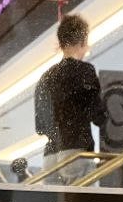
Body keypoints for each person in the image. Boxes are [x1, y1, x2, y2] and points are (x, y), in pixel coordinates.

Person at [34, 14, 106, 185]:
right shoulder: (84, 71)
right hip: (76, 151)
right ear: (83, 40)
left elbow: (41, 127)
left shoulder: (45, 77)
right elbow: (96, 115)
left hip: (50, 156)